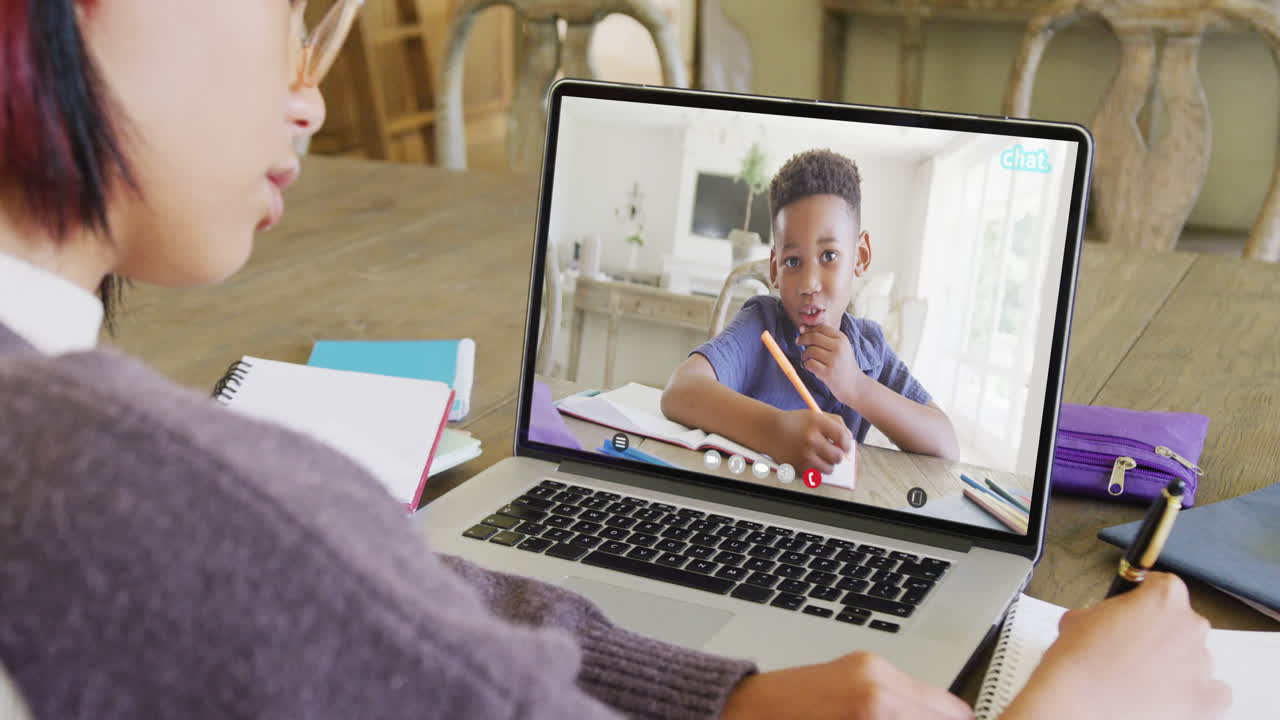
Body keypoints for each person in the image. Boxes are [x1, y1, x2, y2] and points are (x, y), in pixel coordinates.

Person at [0, 2, 1230, 719]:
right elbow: (686, 394)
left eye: (830, 262)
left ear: (860, 270)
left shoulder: (864, 347)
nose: (309, 89)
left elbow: (401, 610)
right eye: (282, 7)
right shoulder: (157, 498)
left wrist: (733, 697)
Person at [662, 149, 960, 475]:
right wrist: (775, 432)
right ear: (775, 269)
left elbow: (946, 446)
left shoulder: (870, 348)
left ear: (860, 256)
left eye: (829, 255)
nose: (809, 284)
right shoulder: (761, 324)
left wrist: (856, 387)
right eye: (793, 262)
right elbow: (680, 391)